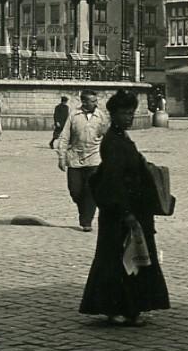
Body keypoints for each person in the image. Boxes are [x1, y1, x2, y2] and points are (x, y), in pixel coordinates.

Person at [79, 90, 170, 327]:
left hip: (133, 208)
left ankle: (131, 308)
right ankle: (115, 309)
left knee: (132, 261)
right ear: (114, 115)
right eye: (124, 113)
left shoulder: (122, 138)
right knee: (118, 261)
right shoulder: (113, 142)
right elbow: (114, 181)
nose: (128, 117)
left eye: (131, 113)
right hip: (120, 212)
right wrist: (126, 213)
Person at [57, 89, 108, 231]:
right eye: (92, 101)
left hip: (94, 160)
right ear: (84, 102)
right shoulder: (74, 115)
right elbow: (65, 136)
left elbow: (108, 138)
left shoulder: (101, 116)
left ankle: (87, 221)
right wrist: (61, 157)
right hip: (75, 159)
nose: (95, 103)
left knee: (91, 191)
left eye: (96, 101)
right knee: (75, 191)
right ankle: (83, 210)